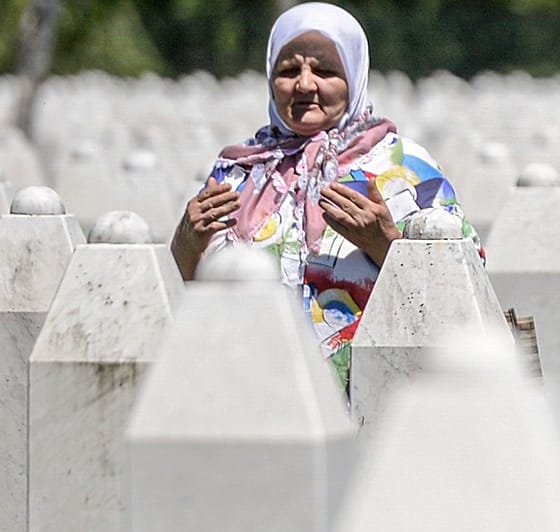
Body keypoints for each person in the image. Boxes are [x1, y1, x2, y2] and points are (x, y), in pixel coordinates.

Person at [172, 2, 477, 387]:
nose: (304, 85)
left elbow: (465, 292)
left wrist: (385, 243)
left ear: (354, 76)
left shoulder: (403, 168)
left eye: (325, 70)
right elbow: (185, 294)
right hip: (245, 391)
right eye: (288, 70)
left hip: (370, 398)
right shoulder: (237, 172)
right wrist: (186, 243)